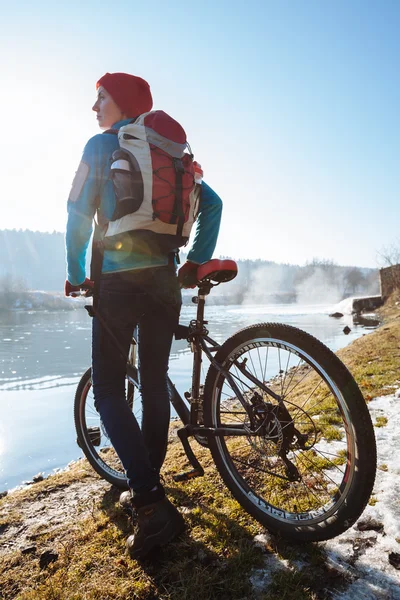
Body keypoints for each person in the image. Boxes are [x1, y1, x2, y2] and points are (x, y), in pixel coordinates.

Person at [65, 72, 222, 559]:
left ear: (122, 103)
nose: (95, 108)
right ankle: (149, 478)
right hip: (165, 281)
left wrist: (75, 271)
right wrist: (195, 261)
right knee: (153, 382)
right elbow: (212, 205)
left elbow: (76, 214)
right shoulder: (170, 153)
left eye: (102, 98)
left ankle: (151, 504)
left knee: (110, 390)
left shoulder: (101, 145)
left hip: (119, 280)